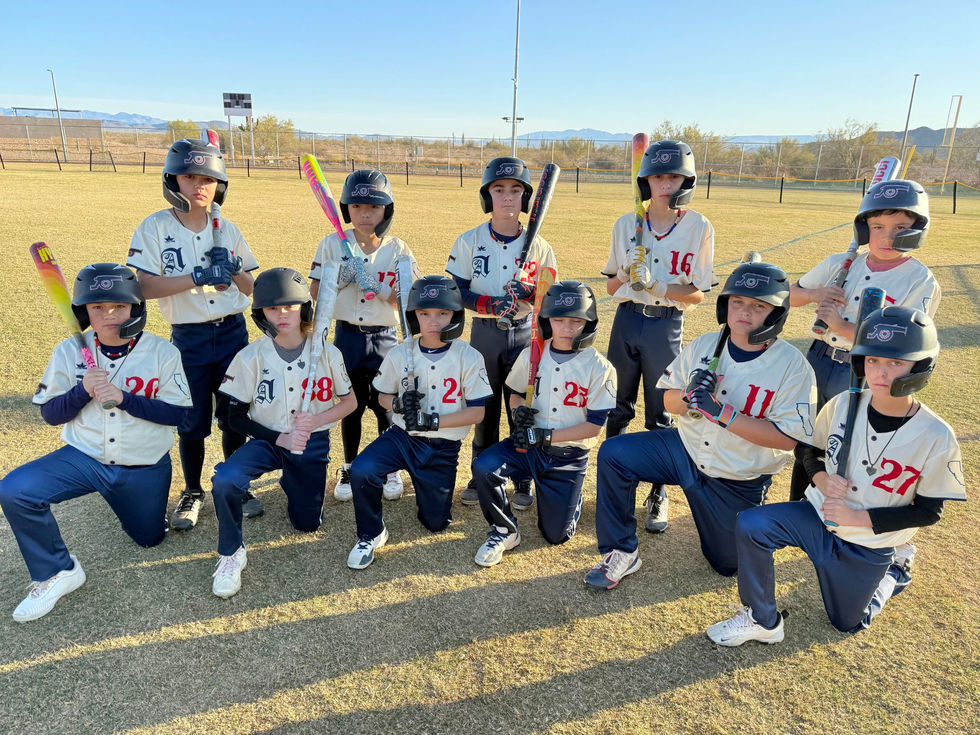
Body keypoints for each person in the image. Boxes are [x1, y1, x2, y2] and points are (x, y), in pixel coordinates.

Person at [707, 307, 964, 645]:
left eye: (895, 363)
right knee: (753, 525)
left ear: (921, 366)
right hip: (817, 517)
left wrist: (857, 517)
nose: (880, 372)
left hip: (869, 543)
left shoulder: (936, 435)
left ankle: (895, 570)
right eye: (872, 360)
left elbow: (929, 512)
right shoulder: (844, 404)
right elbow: (807, 450)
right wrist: (821, 479)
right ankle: (762, 619)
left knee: (847, 622)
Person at [585, 262, 816, 590]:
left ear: (777, 313)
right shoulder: (706, 344)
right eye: (737, 301)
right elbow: (669, 402)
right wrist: (689, 394)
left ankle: (737, 520)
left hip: (735, 475)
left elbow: (786, 439)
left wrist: (723, 414)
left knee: (727, 565)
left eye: (758, 306)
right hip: (686, 450)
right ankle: (621, 549)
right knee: (615, 453)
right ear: (725, 305)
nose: (744, 311)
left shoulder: (793, 366)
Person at [0, 264, 192, 621]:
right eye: (97, 307)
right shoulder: (68, 351)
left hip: (143, 464)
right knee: (15, 490)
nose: (109, 315)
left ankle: (135, 506)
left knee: (149, 539)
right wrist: (82, 390)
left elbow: (179, 415)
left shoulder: (162, 352)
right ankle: (58, 571)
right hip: (84, 459)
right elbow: (50, 414)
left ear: (135, 307)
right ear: (83, 312)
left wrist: (124, 398)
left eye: (119, 306)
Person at [127, 137, 260, 530]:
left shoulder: (228, 229)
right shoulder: (155, 227)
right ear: (173, 181)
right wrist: (196, 276)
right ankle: (192, 490)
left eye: (208, 179)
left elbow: (253, 289)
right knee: (192, 420)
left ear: (219, 185)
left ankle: (234, 482)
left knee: (234, 415)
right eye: (190, 177)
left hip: (233, 333)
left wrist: (234, 268)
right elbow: (144, 287)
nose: (200, 186)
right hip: (189, 337)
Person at [787, 179, 940, 501]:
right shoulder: (840, 263)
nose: (886, 237)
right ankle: (799, 506)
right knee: (809, 439)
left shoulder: (920, 280)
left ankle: (838, 511)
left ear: (917, 230)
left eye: (900, 228)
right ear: (862, 228)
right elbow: (788, 295)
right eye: (877, 226)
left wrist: (841, 325)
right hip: (818, 359)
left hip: (866, 370)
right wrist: (817, 294)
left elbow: (904, 343)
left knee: (846, 443)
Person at [209, 268, 355, 598]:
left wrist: (315, 422)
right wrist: (280, 439)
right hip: (267, 440)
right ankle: (231, 553)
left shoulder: (327, 353)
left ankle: (293, 479)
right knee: (225, 480)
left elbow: (350, 402)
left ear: (305, 308)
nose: (282, 314)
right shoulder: (250, 356)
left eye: (290, 306)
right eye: (273, 308)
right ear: (262, 313)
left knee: (307, 524)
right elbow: (233, 416)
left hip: (310, 442)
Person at [600, 140, 715, 535]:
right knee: (616, 406)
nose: (665, 184)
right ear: (645, 181)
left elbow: (698, 294)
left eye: (674, 177)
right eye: (657, 177)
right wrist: (625, 274)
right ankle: (615, 488)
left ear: (687, 181)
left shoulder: (699, 227)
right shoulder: (625, 225)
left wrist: (659, 285)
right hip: (627, 320)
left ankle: (658, 493)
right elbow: (612, 288)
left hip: (666, 324)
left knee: (661, 412)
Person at [346, 276, 490, 570]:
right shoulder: (401, 352)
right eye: (424, 313)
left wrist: (432, 421)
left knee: (435, 523)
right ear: (413, 316)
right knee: (362, 469)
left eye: (442, 313)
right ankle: (371, 533)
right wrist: (398, 404)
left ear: (455, 315)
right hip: (403, 437)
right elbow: (382, 395)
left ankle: (427, 491)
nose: (433, 321)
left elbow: (477, 413)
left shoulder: (469, 356)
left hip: (442, 446)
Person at [471, 281, 616, 566]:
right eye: (559, 320)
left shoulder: (600, 367)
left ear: (589, 323)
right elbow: (514, 393)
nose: (567, 328)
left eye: (576, 321)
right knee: (485, 467)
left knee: (555, 535)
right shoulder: (533, 353)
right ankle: (504, 530)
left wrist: (545, 436)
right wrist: (517, 411)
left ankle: (572, 501)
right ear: (547, 320)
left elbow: (594, 427)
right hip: (528, 448)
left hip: (568, 457)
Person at [446, 157, 558, 511]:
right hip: (485, 333)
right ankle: (481, 474)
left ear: (526, 197)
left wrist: (529, 292)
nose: (507, 196)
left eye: (515, 190)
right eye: (499, 189)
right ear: (487, 195)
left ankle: (523, 477)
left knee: (523, 407)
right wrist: (493, 304)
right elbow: (457, 292)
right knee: (485, 406)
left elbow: (550, 296)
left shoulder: (539, 246)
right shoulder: (469, 240)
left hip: (525, 334)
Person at [308, 170, 418, 503]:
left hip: (385, 338)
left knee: (386, 406)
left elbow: (411, 300)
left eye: (373, 206)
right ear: (346, 209)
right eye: (357, 206)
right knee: (350, 405)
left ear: (387, 210)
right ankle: (349, 464)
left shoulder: (399, 249)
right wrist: (341, 277)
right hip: (348, 337)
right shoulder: (331, 244)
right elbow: (315, 291)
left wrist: (381, 287)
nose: (365, 213)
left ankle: (388, 466)